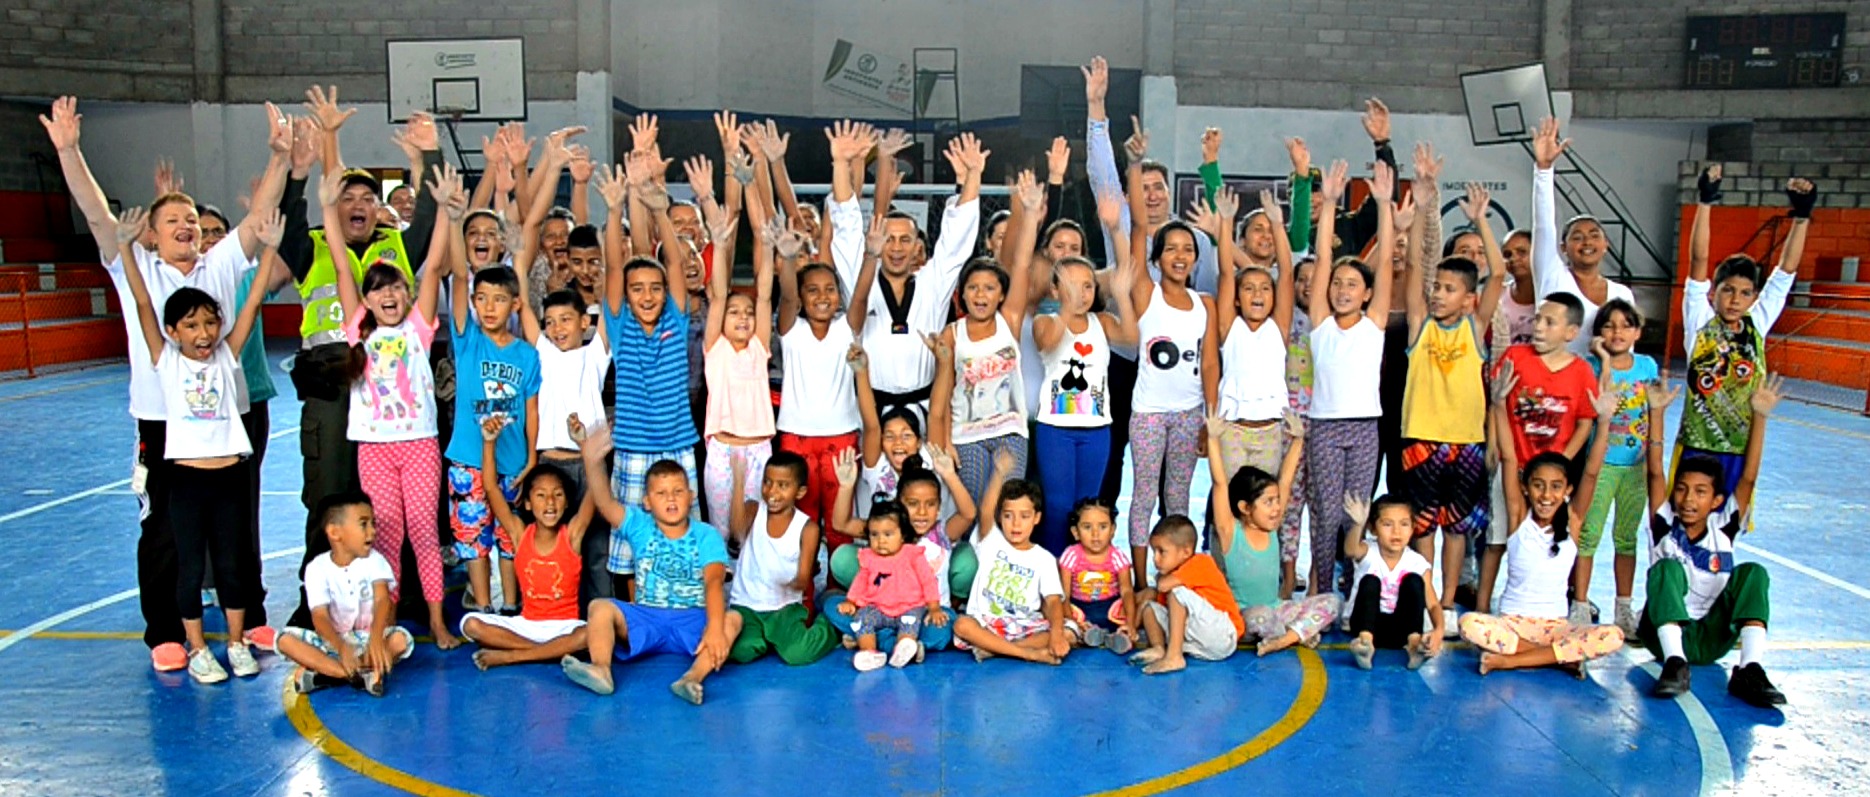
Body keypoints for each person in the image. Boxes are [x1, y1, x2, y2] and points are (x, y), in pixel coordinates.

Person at [45, 96, 291, 670]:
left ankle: (248, 618)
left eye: (192, 221)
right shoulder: (135, 268)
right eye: (173, 221)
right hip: (162, 424)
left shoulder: (220, 265)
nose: (186, 227)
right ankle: (166, 632)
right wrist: (70, 150)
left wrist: (279, 159)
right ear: (151, 235)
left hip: (223, 422)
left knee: (238, 522)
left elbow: (258, 220)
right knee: (162, 530)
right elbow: (96, 213)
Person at [277, 95, 443, 629]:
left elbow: (435, 226)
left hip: (390, 403)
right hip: (331, 389)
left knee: (391, 513)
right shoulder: (315, 248)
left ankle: (398, 597)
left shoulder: (397, 248)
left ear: (378, 208)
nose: (357, 204)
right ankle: (316, 600)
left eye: (367, 198)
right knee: (328, 499)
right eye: (346, 196)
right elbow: (285, 220)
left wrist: (430, 159)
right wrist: (300, 171)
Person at [114, 203, 285, 684]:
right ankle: (194, 648)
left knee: (232, 563)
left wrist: (269, 248)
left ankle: (235, 641)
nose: (203, 334)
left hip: (229, 474)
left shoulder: (228, 357)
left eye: (210, 324)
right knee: (188, 567)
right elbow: (145, 303)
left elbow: (250, 306)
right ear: (172, 334)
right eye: (190, 326)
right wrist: (127, 247)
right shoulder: (166, 362)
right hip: (186, 479)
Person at [323, 164, 464, 649]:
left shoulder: (418, 327)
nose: (388, 294)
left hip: (420, 445)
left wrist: (445, 209)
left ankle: (437, 620)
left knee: (424, 533)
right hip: (375, 448)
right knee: (385, 536)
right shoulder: (359, 329)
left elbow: (436, 260)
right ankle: (383, 623)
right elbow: (343, 266)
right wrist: (326, 206)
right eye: (378, 288)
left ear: (408, 293)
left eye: (395, 286)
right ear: (365, 300)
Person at [1398, 178, 1506, 635]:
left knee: (1457, 529)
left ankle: (1446, 597)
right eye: (1437, 287)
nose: (1438, 293)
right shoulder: (1420, 327)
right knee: (1423, 525)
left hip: (1466, 443)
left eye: (1448, 288)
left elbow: (1497, 275)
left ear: (1469, 299)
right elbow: (1416, 272)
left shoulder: (1474, 329)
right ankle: (1427, 601)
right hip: (1422, 440)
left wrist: (1481, 220)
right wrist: (1423, 211)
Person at [1459, 386, 1625, 676]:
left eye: (1556, 487)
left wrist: (1605, 422)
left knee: (1614, 636)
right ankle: (1557, 658)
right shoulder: (1519, 517)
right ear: (1525, 487)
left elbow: (1591, 472)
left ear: (1568, 490)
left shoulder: (1573, 520)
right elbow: (1509, 458)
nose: (1546, 495)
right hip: (1512, 624)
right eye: (1538, 485)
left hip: (1556, 628)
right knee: (1470, 625)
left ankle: (1511, 660)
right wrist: (1499, 405)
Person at [1643, 375, 1786, 708]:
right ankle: (1674, 663)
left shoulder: (1724, 529)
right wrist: (1657, 414)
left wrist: (1760, 417)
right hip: (1662, 634)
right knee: (1665, 569)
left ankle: (1750, 668)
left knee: (1753, 573)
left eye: (1700, 492)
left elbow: (1748, 477)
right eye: (1681, 489)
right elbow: (1654, 473)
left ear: (1717, 501)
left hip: (1710, 636)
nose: (1688, 499)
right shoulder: (1664, 524)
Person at [1677, 167, 1813, 517]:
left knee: (1728, 525)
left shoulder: (1757, 322)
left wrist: (1802, 216)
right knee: (1684, 522)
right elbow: (1698, 261)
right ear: (1714, 292)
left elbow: (1785, 272)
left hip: (1740, 447)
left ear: (1754, 297)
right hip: (1697, 443)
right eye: (1728, 291)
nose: (1735, 299)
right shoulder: (1699, 319)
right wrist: (1706, 201)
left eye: (1745, 293)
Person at [567, 427, 732, 705]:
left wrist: (715, 628)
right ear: (647, 502)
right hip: (647, 616)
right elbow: (605, 504)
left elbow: (713, 583)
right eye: (662, 493)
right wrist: (592, 461)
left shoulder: (706, 535)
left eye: (678, 491)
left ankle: (691, 677)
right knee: (599, 608)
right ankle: (601, 670)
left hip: (693, 619)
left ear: (690, 497)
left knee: (733, 620)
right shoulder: (640, 526)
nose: (671, 498)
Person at [1120, 127, 1219, 586]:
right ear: (1158, 259)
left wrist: (1209, 419)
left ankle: (1177, 578)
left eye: (1189, 250)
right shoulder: (1147, 293)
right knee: (1142, 496)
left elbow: (1210, 363)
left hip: (1187, 414)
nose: (1180, 256)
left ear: (1196, 260)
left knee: (1178, 499)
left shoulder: (1206, 304)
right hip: (1149, 414)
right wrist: (1137, 166)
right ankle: (1141, 581)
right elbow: (1139, 227)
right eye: (1172, 249)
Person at [827, 123, 977, 423]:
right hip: (869, 409)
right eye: (889, 239)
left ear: (917, 245)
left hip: (924, 409)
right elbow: (846, 224)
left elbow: (956, 238)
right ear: (878, 244)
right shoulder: (862, 275)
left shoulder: (932, 283)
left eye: (905, 240)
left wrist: (972, 176)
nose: (896, 247)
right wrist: (841, 164)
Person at [601, 148, 702, 593]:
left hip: (678, 444)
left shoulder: (676, 322)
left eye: (655, 288)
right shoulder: (620, 325)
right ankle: (635, 609)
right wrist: (612, 210)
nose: (646, 295)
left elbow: (676, 263)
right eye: (636, 288)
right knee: (630, 541)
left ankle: (686, 601)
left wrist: (660, 207)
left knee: (685, 535)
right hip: (633, 447)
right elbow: (610, 266)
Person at [775, 155, 879, 551]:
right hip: (796, 439)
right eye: (812, 290)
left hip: (841, 436)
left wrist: (871, 255)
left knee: (838, 523)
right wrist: (787, 257)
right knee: (798, 521)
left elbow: (863, 294)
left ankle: (836, 592)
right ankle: (799, 596)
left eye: (829, 290)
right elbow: (785, 294)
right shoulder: (791, 329)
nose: (822, 297)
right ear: (801, 298)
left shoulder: (846, 328)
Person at [1303, 160, 1397, 598]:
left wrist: (1383, 205)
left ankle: (1353, 582)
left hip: (1363, 428)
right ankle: (1322, 588)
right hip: (1323, 426)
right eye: (1337, 283)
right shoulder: (1320, 322)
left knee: (1353, 513)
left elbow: (1390, 263)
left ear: (1367, 293)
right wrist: (1332, 204)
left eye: (1352, 284)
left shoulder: (1373, 323)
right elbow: (1322, 257)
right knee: (1324, 512)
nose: (1342, 290)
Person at [1029, 191, 1139, 555]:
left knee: (1088, 507)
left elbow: (1132, 338)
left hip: (1096, 428)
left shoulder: (1102, 322)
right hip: (1056, 428)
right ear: (1056, 288)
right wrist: (1066, 304)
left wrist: (1121, 295)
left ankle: (1084, 576)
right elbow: (1047, 344)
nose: (1083, 292)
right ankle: (1053, 578)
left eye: (1089, 285)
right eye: (1073, 285)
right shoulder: (1046, 320)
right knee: (1059, 507)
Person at [446, 204, 543, 613]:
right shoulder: (467, 339)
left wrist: (532, 456)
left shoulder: (526, 354)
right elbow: (456, 276)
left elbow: (532, 411)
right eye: (481, 299)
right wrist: (453, 218)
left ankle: (510, 608)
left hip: (512, 463)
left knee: (508, 536)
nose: (488, 307)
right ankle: (483, 606)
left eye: (499, 299)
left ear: (515, 305)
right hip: (468, 459)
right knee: (473, 537)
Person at [931, 169, 1042, 519]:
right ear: (962, 294)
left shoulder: (1009, 321)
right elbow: (942, 398)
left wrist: (1027, 213)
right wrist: (944, 442)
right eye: (974, 288)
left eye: (990, 288)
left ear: (1001, 295)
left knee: (1008, 512)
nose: (981, 294)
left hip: (1010, 431)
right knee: (976, 513)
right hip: (967, 436)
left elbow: (1021, 263)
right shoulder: (953, 333)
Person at [1479, 293, 1599, 615]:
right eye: (1537, 320)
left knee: (1559, 537)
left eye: (1549, 322)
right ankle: (1482, 605)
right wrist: (1493, 442)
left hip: (1550, 477)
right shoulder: (1516, 357)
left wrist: (1559, 464)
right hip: (1513, 467)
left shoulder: (1582, 372)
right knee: (1497, 539)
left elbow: (1585, 423)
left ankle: (1565, 604)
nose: (1539, 328)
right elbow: (1498, 402)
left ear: (1571, 332)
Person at [1207, 186, 1301, 594]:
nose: (1258, 294)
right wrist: (1225, 224)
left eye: (1265, 288)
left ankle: (1266, 578)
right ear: (1239, 299)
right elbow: (1228, 272)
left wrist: (1278, 223)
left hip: (1270, 432)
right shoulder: (1230, 329)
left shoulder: (1280, 329)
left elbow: (1288, 269)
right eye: (1250, 290)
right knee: (1226, 504)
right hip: (1232, 430)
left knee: (1268, 506)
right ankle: (1222, 576)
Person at [459, 416, 596, 670]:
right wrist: (489, 443)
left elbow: (595, 491)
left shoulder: (572, 534)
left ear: (566, 503)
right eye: (541, 496)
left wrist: (584, 444)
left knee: (589, 634)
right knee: (470, 624)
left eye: (557, 495)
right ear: (529, 503)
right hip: (526, 625)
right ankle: (545, 653)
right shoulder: (521, 534)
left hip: (565, 626)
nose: (550, 503)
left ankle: (512, 656)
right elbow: (490, 487)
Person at [1204, 413, 1335, 656]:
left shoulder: (1271, 527)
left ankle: (1284, 639)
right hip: (1246, 613)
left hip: (1277, 608)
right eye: (1268, 502)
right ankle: (1297, 633)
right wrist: (1212, 439)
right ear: (1245, 508)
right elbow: (1220, 483)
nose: (1277, 508)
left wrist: (1298, 439)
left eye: (1277, 501)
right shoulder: (1231, 532)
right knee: (1259, 617)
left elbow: (1285, 480)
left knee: (1332, 602)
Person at [277, 492, 416, 697]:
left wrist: (377, 639)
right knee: (284, 640)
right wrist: (341, 648)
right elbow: (320, 617)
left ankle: (325, 673)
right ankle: (358, 674)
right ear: (335, 532)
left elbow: (382, 600)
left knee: (400, 640)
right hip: (331, 642)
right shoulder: (317, 568)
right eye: (364, 524)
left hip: (367, 640)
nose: (373, 531)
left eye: (373, 523)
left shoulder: (375, 561)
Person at [1578, 299, 1659, 634]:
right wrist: (1606, 362)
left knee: (1626, 538)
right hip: (1602, 465)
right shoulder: (1592, 366)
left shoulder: (1648, 366)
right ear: (1599, 334)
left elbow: (1654, 411)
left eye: (1626, 325)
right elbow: (1601, 401)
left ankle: (1623, 607)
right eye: (1609, 326)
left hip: (1635, 467)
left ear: (1638, 332)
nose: (1617, 332)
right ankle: (1580, 605)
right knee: (1588, 535)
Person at [722, 452, 841, 667]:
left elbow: (804, 578)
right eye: (767, 482)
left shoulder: (808, 528)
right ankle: (764, 639)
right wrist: (739, 482)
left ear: (800, 491)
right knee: (739, 651)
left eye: (782, 485)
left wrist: (792, 583)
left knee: (798, 654)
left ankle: (832, 627)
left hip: (784, 607)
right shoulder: (753, 509)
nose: (772, 491)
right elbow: (736, 532)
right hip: (746, 606)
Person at [1528, 118, 1634, 356]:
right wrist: (1544, 170)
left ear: (1605, 245)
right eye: (1577, 237)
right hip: (1556, 383)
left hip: (1603, 386)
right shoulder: (1551, 275)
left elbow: (1627, 351)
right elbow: (1543, 225)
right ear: (1563, 248)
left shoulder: (1622, 294)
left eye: (1594, 235)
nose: (1587, 242)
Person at [952, 457, 1069, 664]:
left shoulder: (1044, 558)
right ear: (1000, 518)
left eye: (1024, 516)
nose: (1016, 524)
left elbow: (1052, 600)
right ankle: (1028, 653)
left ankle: (995, 650)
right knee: (962, 625)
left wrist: (1058, 634)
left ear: (1037, 518)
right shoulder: (991, 542)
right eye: (1008, 516)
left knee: (1068, 632)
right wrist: (999, 473)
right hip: (986, 622)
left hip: (1024, 624)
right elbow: (986, 510)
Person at [832, 500, 948, 670]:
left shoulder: (912, 554)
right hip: (877, 608)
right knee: (862, 618)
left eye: (888, 534)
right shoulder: (868, 556)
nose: (881, 541)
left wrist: (934, 608)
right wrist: (850, 601)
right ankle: (869, 653)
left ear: (903, 535)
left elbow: (928, 581)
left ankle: (903, 648)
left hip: (909, 607)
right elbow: (860, 581)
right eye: (874, 535)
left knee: (911, 622)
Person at [1128, 516, 1245, 674]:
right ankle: (1158, 648)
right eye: (1154, 551)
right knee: (1150, 608)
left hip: (1222, 635)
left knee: (1177, 593)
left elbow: (1163, 586)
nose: (1155, 559)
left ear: (1186, 552)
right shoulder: (1172, 576)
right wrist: (1132, 625)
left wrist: (1153, 589)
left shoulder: (1200, 562)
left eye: (1162, 552)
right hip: (1197, 642)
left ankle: (1174, 656)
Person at [1342, 494, 1442, 669]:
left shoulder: (1417, 562)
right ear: (1374, 529)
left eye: (1404, 524)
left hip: (1401, 632)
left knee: (1414, 580)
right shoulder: (1368, 552)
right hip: (1365, 625)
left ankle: (1414, 646)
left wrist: (1439, 630)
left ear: (1413, 529)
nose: (1396, 532)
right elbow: (1351, 550)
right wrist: (1359, 524)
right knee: (1370, 581)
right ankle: (1366, 645)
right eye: (1387, 524)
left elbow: (1433, 604)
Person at [1056, 499, 1136, 654]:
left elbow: (1127, 591)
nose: (1095, 534)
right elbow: (1064, 594)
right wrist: (1072, 621)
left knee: (1142, 599)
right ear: (1076, 532)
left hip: (1110, 609)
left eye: (1103, 527)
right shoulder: (1071, 555)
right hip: (1079, 610)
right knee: (1054, 609)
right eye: (1087, 527)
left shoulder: (1117, 557)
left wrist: (1131, 623)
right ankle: (1086, 633)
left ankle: (1120, 634)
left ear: (1113, 530)